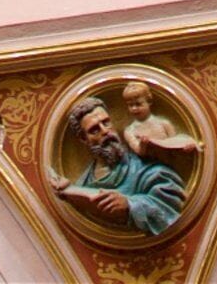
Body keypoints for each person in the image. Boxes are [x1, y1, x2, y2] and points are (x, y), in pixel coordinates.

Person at [54, 96, 186, 236]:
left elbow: (171, 206)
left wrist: (130, 205)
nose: (105, 131)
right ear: (83, 139)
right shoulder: (83, 184)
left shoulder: (149, 171)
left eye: (106, 123)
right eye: (94, 130)